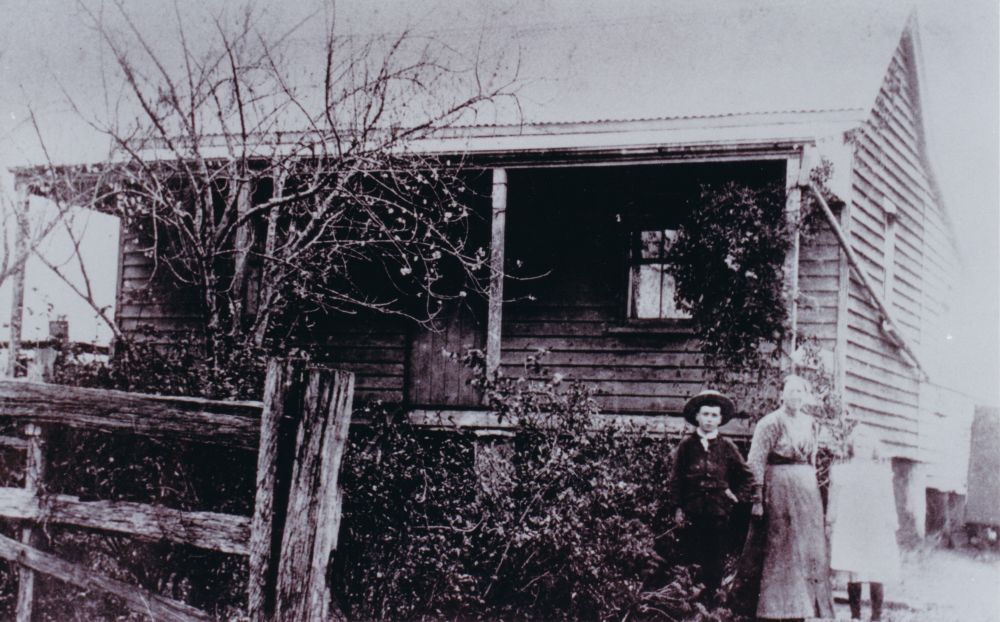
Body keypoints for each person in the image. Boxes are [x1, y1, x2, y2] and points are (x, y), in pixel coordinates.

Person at [742, 375, 834, 621]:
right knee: (780, 549)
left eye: (800, 393)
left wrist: (813, 491)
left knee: (805, 549)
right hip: (778, 488)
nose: (796, 397)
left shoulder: (810, 423)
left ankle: (801, 608)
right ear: (782, 394)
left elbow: (813, 460)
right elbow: (756, 460)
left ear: (806, 397)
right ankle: (772, 609)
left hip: (806, 491)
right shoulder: (770, 423)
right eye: (791, 392)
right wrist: (758, 498)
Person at [668, 389, 754, 604]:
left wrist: (735, 496)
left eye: (714, 415)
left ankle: (711, 608)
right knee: (691, 559)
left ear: (721, 419)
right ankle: (690, 608)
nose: (709, 419)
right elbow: (676, 478)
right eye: (705, 414)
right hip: (692, 513)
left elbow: (747, 476)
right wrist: (678, 507)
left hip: (718, 515)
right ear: (697, 416)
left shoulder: (727, 447)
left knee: (714, 562)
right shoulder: (687, 446)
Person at [827, 423, 900, 621]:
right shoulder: (842, 471)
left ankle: (876, 614)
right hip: (851, 524)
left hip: (875, 525)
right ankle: (855, 615)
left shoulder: (881, 472)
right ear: (852, 447)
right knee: (854, 569)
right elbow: (834, 498)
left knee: (877, 568)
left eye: (867, 447)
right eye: (859, 447)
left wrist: (891, 520)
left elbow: (888, 498)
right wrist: (830, 520)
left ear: (873, 449)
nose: (862, 451)